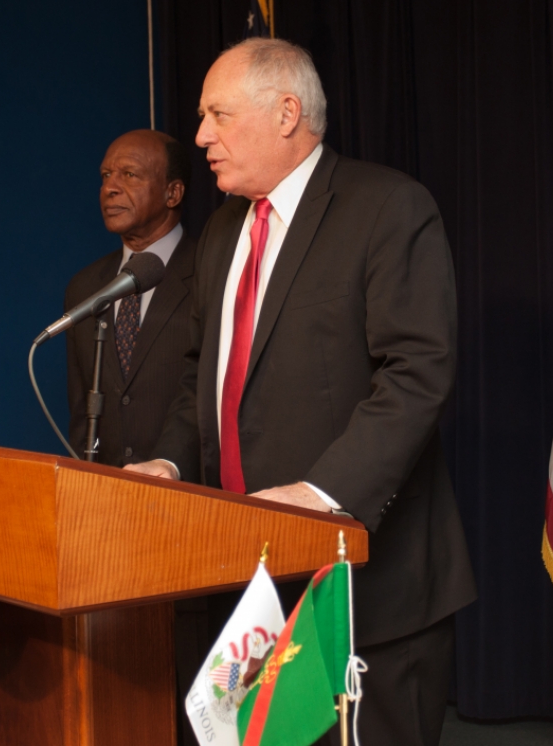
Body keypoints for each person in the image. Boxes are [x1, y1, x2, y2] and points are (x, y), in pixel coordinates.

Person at [125, 38, 475, 746]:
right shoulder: (223, 231)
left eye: (217, 115)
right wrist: (167, 464)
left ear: (287, 113)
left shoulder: (388, 207)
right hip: (250, 580)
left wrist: (317, 496)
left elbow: (418, 372)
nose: (200, 138)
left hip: (367, 586)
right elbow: (203, 371)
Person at [65, 129, 195, 468]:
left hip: (193, 496)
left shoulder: (212, 271)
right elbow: (82, 412)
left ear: (173, 193)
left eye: (130, 174)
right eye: (106, 175)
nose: (110, 187)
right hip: (108, 502)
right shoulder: (85, 287)